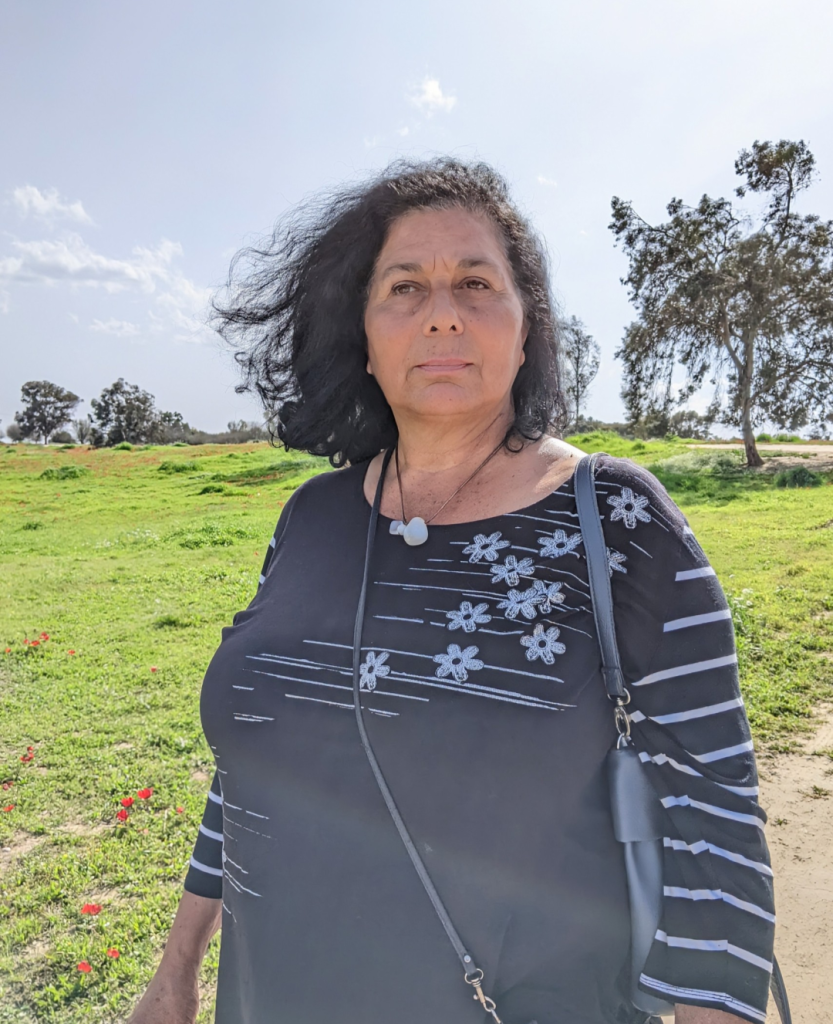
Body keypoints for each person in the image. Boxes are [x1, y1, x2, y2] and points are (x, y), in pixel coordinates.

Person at [127, 160, 775, 1024]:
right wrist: (175, 974)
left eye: (476, 282)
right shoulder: (311, 517)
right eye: (404, 286)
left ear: (525, 326)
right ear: (362, 333)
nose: (441, 311)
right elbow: (250, 771)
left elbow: (712, 821)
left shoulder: (618, 521)